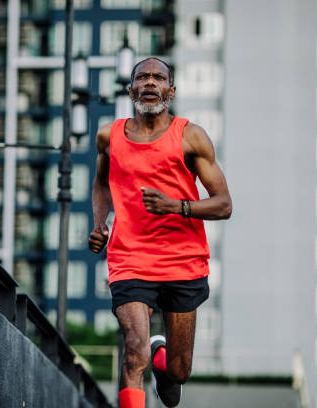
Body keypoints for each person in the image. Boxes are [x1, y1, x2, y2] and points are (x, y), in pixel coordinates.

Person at [88, 57, 232, 408]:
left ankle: (163, 357)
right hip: (130, 259)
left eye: (158, 77)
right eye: (142, 77)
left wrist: (177, 206)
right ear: (131, 88)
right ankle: (148, 354)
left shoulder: (191, 136)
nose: (150, 82)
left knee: (181, 371)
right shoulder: (108, 136)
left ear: (171, 89)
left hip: (183, 262)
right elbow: (101, 183)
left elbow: (224, 204)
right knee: (133, 354)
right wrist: (99, 224)